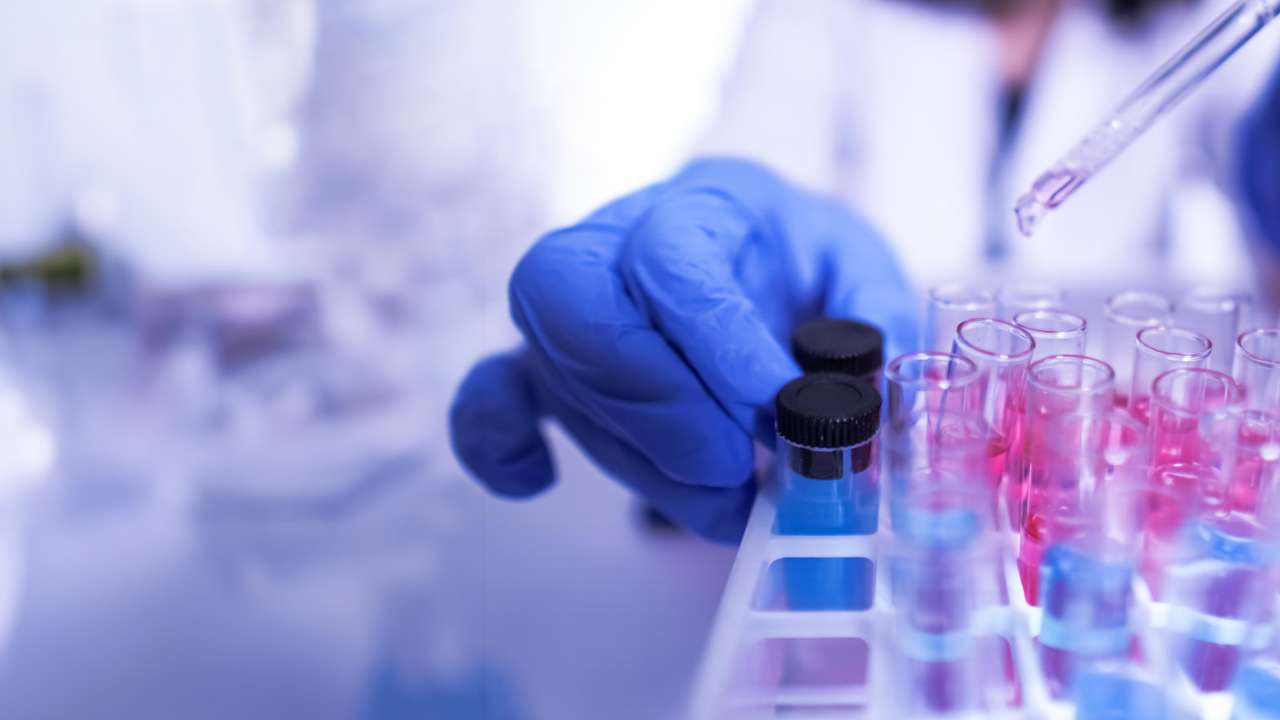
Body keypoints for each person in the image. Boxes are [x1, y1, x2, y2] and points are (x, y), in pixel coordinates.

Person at [451, 0, 1280, 542]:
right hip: (875, 463)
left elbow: (1259, 153)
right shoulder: (825, 15)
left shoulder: (1206, 19)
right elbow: (754, 160)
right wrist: (679, 295)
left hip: (1078, 477)